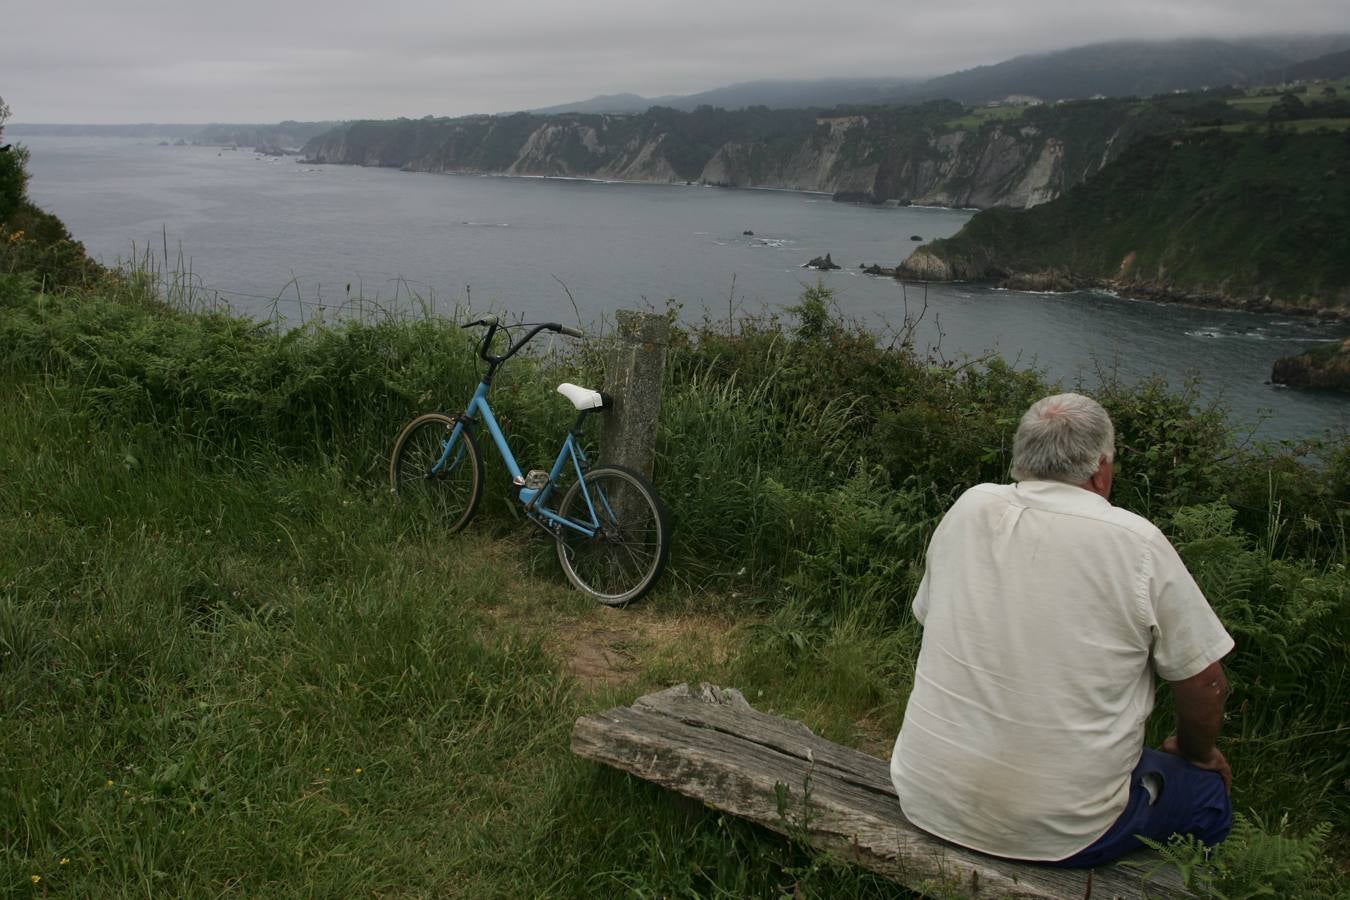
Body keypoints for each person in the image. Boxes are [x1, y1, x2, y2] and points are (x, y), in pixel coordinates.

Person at [889, 392, 1234, 867]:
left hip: (925, 793)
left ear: (1022, 459)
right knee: (1206, 795)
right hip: (1064, 833)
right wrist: (1197, 753)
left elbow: (932, 616)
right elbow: (1206, 682)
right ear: (1101, 468)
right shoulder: (1136, 543)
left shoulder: (969, 508)